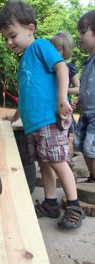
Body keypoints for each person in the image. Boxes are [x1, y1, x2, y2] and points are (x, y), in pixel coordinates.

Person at [0, 1, 84, 229]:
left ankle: (74, 206)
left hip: (49, 121)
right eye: (5, 38)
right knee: (44, 164)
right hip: (33, 125)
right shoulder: (24, 60)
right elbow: (26, 94)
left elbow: (62, 68)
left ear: (31, 29)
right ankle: (50, 203)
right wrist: (14, 117)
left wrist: (62, 98)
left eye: (12, 35)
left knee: (57, 162)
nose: (9, 42)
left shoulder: (41, 46)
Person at [72, 10, 95, 183]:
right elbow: (86, 85)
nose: (79, 36)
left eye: (83, 32)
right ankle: (93, 176)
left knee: (90, 148)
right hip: (85, 112)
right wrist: (78, 99)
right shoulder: (88, 60)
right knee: (80, 145)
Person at [51, 32, 80, 134]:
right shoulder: (48, 67)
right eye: (51, 49)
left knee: (62, 134)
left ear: (65, 51)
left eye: (57, 50)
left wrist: (63, 90)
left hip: (63, 107)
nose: (53, 52)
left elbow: (78, 88)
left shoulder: (70, 68)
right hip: (48, 107)